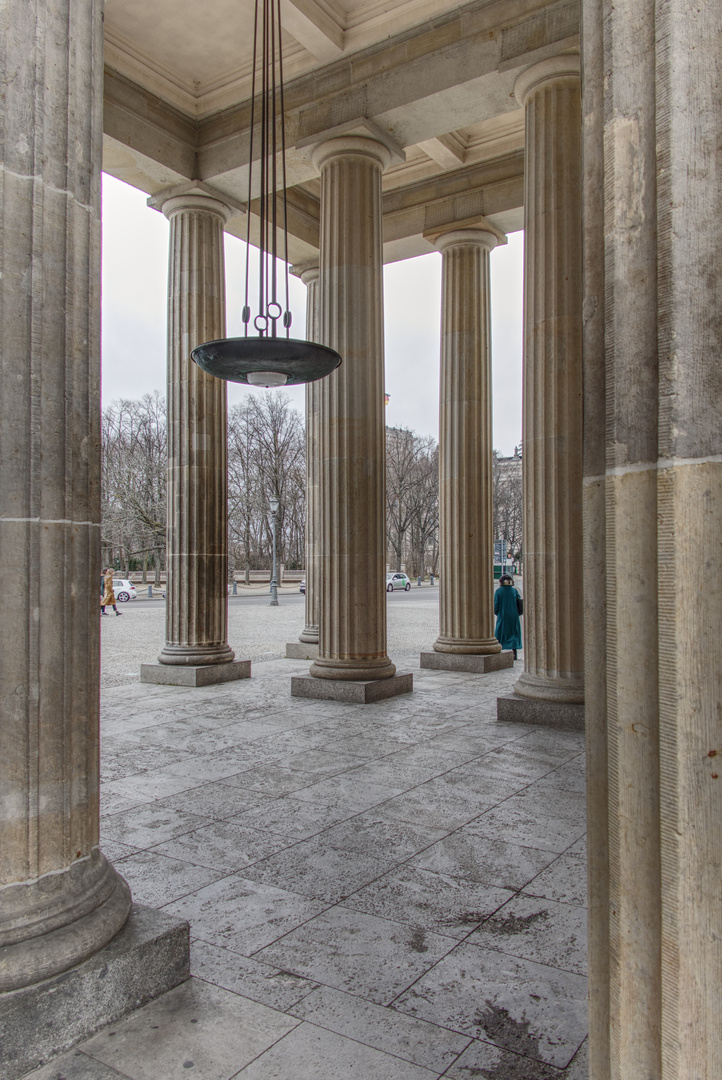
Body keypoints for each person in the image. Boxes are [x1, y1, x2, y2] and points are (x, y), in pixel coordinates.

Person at [494, 573, 521, 659]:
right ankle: (514, 653)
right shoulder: (514, 591)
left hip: (503, 615)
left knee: (501, 633)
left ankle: (500, 651)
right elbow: (519, 603)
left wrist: (497, 612)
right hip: (514, 616)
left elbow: (496, 606)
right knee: (513, 633)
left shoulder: (498, 591)